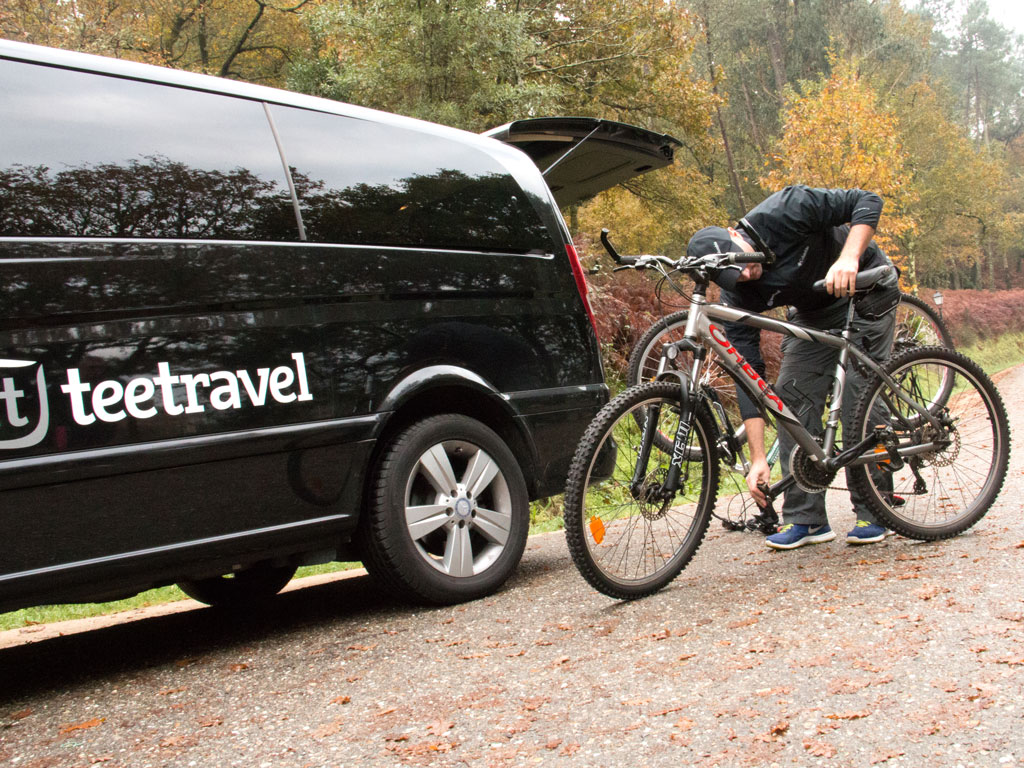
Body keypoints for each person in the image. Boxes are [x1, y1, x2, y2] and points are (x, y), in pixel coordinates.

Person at [686, 185, 900, 550]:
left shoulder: (784, 210)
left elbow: (868, 200)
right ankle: (806, 519)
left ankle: (875, 508)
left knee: (856, 401)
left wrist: (848, 257)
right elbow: (747, 372)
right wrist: (757, 459)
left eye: (741, 265)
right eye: (733, 278)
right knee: (788, 396)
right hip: (815, 313)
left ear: (736, 236)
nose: (746, 277)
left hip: (865, 289)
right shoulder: (737, 290)